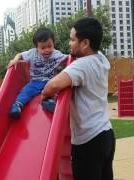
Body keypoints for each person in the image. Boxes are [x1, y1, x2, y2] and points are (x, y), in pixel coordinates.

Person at [41, 18, 116, 180]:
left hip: (88, 141)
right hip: (106, 134)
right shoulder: (101, 58)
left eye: (73, 39)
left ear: (85, 43)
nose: (69, 44)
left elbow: (51, 86)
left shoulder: (82, 65)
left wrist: (43, 95)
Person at [8, 27, 68, 118]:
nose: (47, 50)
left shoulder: (56, 54)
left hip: (50, 81)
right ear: (36, 47)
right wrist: (15, 59)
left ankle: (50, 102)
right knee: (26, 91)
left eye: (49, 46)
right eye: (43, 48)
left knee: (58, 89)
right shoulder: (32, 53)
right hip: (36, 81)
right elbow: (20, 55)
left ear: (53, 44)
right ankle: (17, 105)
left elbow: (68, 59)